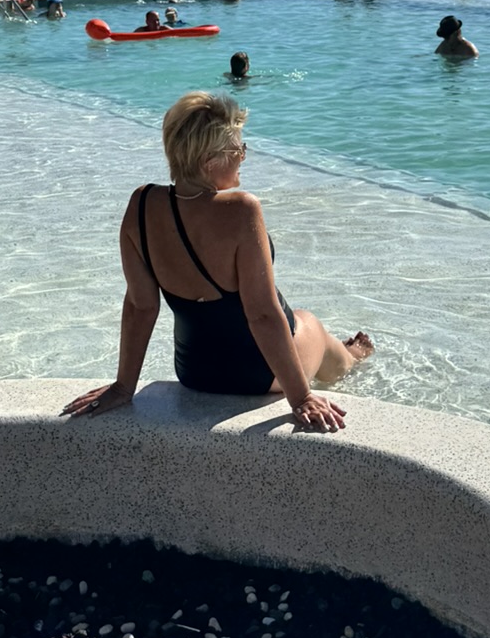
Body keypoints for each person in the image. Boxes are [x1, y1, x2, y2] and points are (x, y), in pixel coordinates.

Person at [62, 92, 373, 432]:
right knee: (310, 323)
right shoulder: (241, 209)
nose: (243, 156)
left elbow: (140, 305)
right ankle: (349, 358)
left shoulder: (141, 204)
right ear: (210, 161)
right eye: (238, 149)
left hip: (196, 371)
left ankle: (340, 353)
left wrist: (124, 386)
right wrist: (301, 398)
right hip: (258, 373)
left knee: (298, 322)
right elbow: (263, 314)